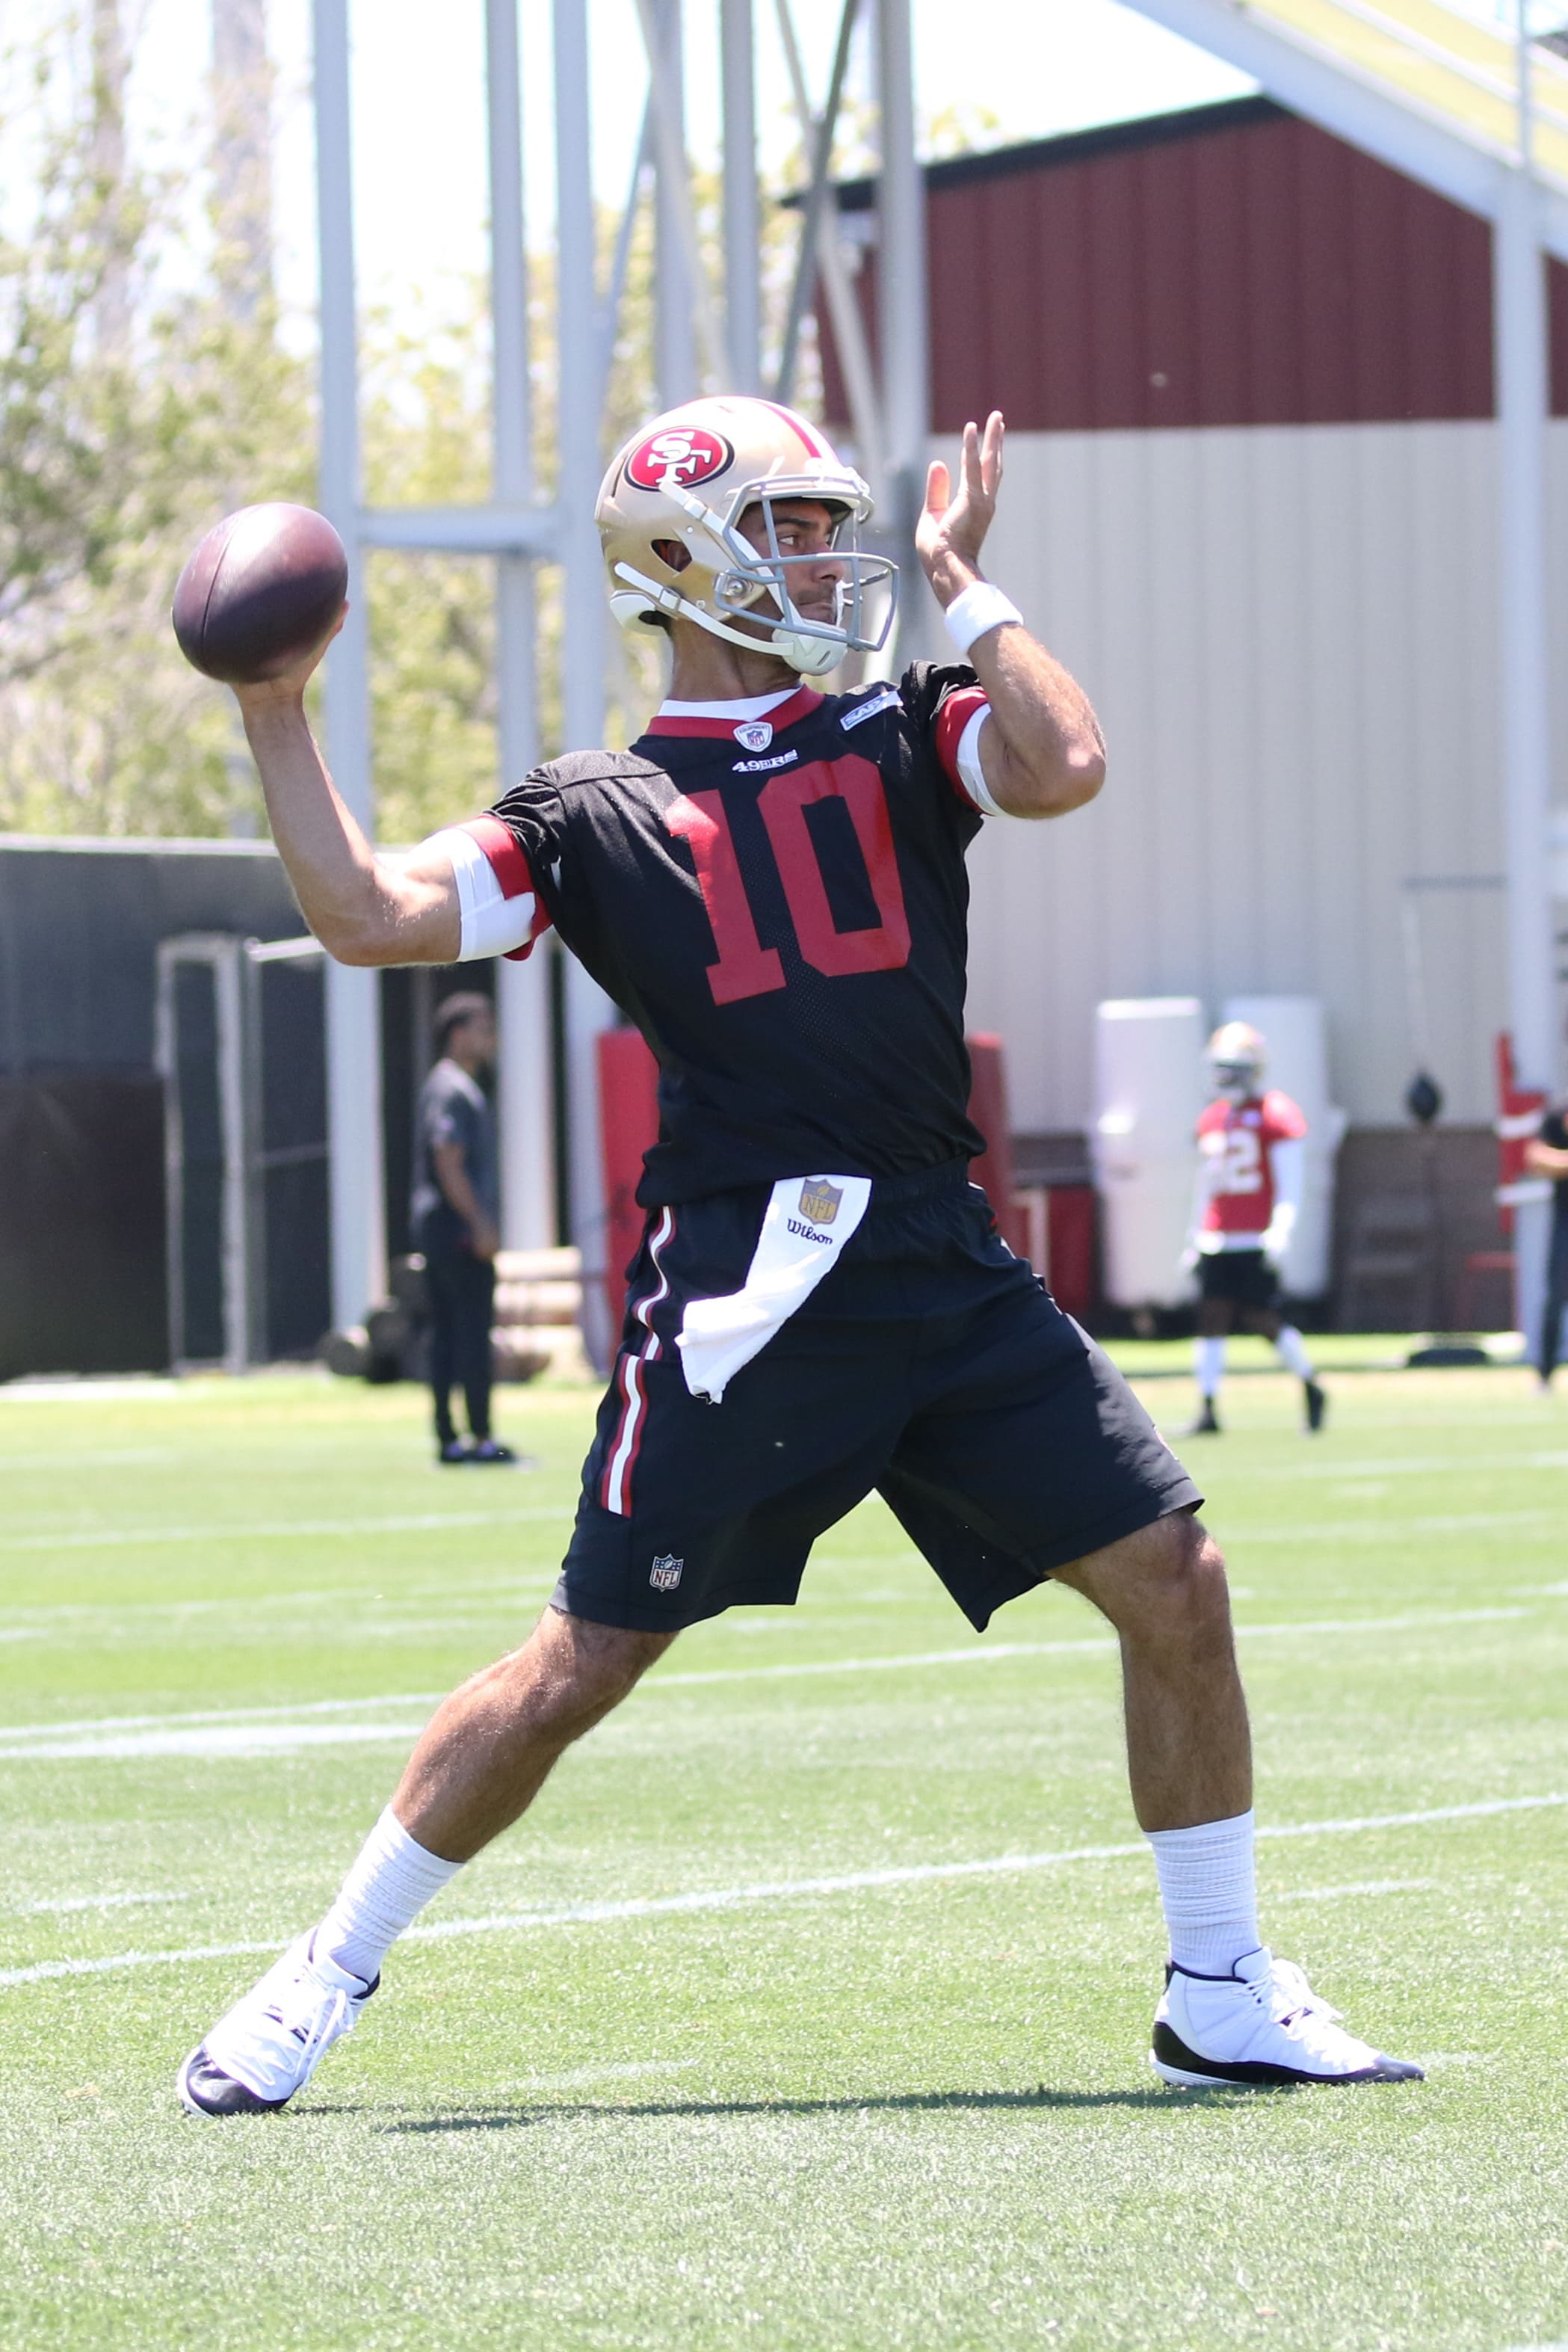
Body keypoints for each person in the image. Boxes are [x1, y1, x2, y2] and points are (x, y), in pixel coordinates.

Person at [176, 397, 1417, 2117]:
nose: (834, 557)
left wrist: (965, 581)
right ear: (684, 564)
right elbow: (372, 914)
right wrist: (275, 711)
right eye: (797, 526)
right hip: (751, 1286)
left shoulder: (902, 730)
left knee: (1172, 1582)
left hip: (938, 1250)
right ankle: (320, 1973)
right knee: (576, 1664)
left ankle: (1217, 1983)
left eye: (833, 525)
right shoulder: (591, 810)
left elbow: (1062, 762)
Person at [1184, 1023, 1327, 1438]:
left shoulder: (1276, 1113)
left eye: (1235, 1068)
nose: (1226, 1077)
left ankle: (1311, 1383)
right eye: (1221, 1068)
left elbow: (1290, 1180)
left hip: (1255, 1235)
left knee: (1262, 1317)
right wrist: (1193, 1236)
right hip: (1217, 1235)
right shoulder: (1213, 1118)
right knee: (1210, 1318)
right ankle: (1208, 1409)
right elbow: (1204, 1185)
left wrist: (1282, 1229)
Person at [411, 991, 513, 1465]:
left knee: (452, 1333)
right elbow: (448, 1161)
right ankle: (476, 1436)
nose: (491, 1036)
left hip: (444, 1226)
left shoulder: (455, 1085)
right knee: (468, 1331)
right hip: (455, 1228)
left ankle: (452, 1435)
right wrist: (480, 1223)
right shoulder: (453, 1088)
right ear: (458, 1033)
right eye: (483, 1026)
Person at [1523, 1101, 1568, 1385]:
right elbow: (1536, 1157)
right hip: (1565, 1220)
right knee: (1555, 1298)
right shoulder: (1557, 1114)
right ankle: (1545, 1376)